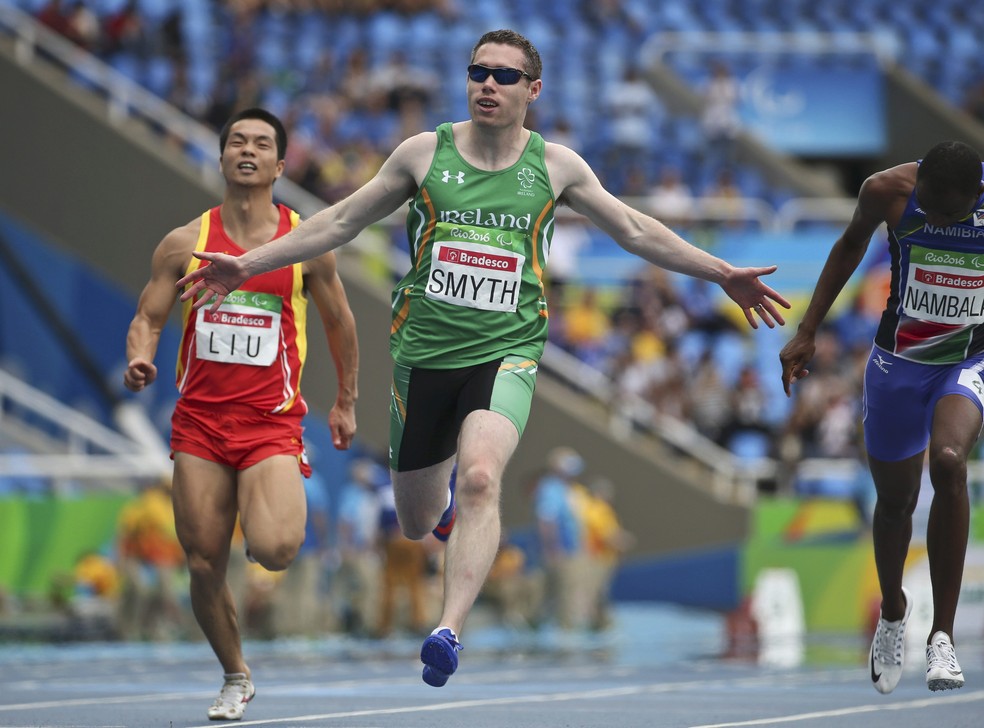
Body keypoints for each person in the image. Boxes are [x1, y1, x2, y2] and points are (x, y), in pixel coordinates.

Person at [176, 29, 789, 688]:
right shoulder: (423, 154)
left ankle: (449, 630)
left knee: (480, 478)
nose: (488, 85)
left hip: (506, 354)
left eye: (503, 75)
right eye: (478, 72)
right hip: (424, 357)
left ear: (533, 89)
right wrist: (248, 265)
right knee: (415, 522)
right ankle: (439, 512)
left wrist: (721, 271)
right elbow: (338, 222)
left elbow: (635, 229)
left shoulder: (557, 167)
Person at [123, 107, 359, 720]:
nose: (246, 150)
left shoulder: (305, 244)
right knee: (202, 561)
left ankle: (262, 524)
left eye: (261, 144)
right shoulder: (185, 243)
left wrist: (345, 401)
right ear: (223, 158)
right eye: (236, 142)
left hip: (270, 421)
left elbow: (339, 324)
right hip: (199, 421)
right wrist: (141, 357)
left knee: (277, 548)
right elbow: (148, 316)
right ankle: (235, 674)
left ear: (281, 165)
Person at [779, 140, 984, 695]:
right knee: (895, 502)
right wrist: (808, 328)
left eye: (952, 214)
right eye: (932, 211)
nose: (939, 221)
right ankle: (892, 610)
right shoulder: (886, 190)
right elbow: (848, 247)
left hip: (966, 361)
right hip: (898, 363)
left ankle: (941, 634)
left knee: (948, 462)